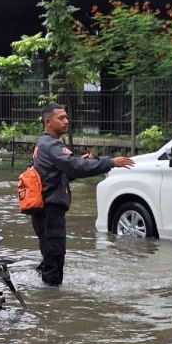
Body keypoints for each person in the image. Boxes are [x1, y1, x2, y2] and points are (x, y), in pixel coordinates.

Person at [31, 102, 134, 286]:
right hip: (50, 211)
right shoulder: (52, 146)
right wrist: (109, 162)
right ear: (48, 121)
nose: (66, 121)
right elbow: (75, 168)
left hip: (45, 210)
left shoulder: (44, 144)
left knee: (49, 257)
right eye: (60, 118)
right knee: (54, 260)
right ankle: (51, 305)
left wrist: (78, 162)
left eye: (66, 117)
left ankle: (41, 296)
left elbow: (60, 174)